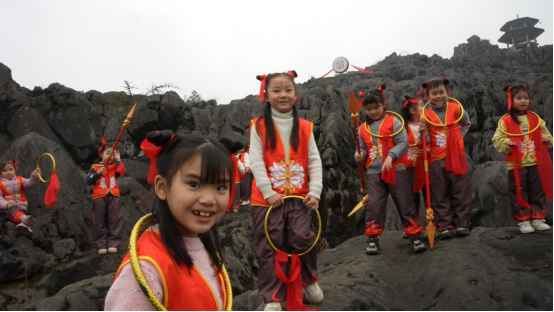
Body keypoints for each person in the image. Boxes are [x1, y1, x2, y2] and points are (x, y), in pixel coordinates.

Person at [105, 130, 234, 311]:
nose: (209, 199)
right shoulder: (146, 270)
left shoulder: (203, 247)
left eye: (220, 187)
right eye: (194, 184)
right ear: (162, 187)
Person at [250, 70, 323, 311]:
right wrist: (268, 191)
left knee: (302, 239)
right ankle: (273, 297)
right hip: (267, 200)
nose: (283, 95)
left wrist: (315, 190)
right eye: (277, 90)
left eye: (288, 90)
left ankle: (308, 280)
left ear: (296, 93)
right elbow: (256, 161)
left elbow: (314, 160)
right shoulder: (258, 126)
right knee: (270, 245)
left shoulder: (304, 126)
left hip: (300, 197)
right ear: (266, 95)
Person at [354, 86, 425, 255]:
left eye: (376, 107)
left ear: (384, 104)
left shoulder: (395, 121)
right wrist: (359, 155)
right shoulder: (362, 128)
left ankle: (414, 235)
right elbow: (362, 148)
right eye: (369, 109)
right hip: (374, 172)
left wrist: (391, 156)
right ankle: (372, 237)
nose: (373, 112)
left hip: (397, 169)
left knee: (404, 201)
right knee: (375, 204)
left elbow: (403, 143)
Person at [492, 84, 553, 233]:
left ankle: (538, 218)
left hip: (535, 161)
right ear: (511, 100)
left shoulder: (535, 119)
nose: (523, 101)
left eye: (526, 98)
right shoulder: (505, 120)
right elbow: (497, 139)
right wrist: (507, 143)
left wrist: (547, 140)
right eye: (519, 98)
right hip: (516, 164)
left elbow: (548, 136)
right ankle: (523, 220)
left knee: (537, 190)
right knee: (519, 191)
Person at [419, 77, 472, 239]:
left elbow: (466, 123)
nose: (438, 96)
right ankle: (444, 225)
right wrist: (422, 132)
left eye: (441, 92)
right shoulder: (425, 114)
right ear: (427, 96)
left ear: (447, 92)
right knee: (439, 193)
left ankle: (462, 224)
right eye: (434, 93)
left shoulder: (456, 108)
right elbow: (426, 140)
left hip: (457, 156)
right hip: (436, 158)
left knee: (460, 190)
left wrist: (458, 139)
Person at [86, 138, 126, 255]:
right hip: (99, 197)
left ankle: (113, 243)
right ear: (101, 154)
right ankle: (101, 245)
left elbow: (122, 172)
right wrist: (98, 173)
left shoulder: (114, 167)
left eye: (112, 154)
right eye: (108, 153)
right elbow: (88, 180)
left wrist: (118, 160)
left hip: (114, 196)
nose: (111, 156)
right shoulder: (95, 167)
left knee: (115, 219)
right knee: (99, 221)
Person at [400, 95, 429, 238]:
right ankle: (413, 225)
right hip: (410, 167)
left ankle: (435, 223)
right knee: (412, 197)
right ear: (413, 111)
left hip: (426, 166)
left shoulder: (428, 124)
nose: (424, 108)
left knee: (431, 195)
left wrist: (429, 149)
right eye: (422, 105)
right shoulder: (403, 127)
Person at [0, 161, 40, 236]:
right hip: (7, 208)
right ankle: (25, 220)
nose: (8, 172)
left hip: (20, 206)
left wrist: (35, 175)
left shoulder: (20, 180)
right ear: (0, 173)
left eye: (11, 169)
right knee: (12, 211)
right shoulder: (0, 184)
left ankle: (24, 226)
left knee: (19, 213)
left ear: (15, 170)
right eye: (4, 171)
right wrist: (6, 204)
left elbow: (29, 183)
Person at [219, 138, 245, 212]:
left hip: (223, 180)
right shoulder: (236, 159)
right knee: (236, 195)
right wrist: (242, 175)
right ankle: (235, 207)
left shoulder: (219, 156)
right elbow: (242, 170)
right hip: (235, 180)